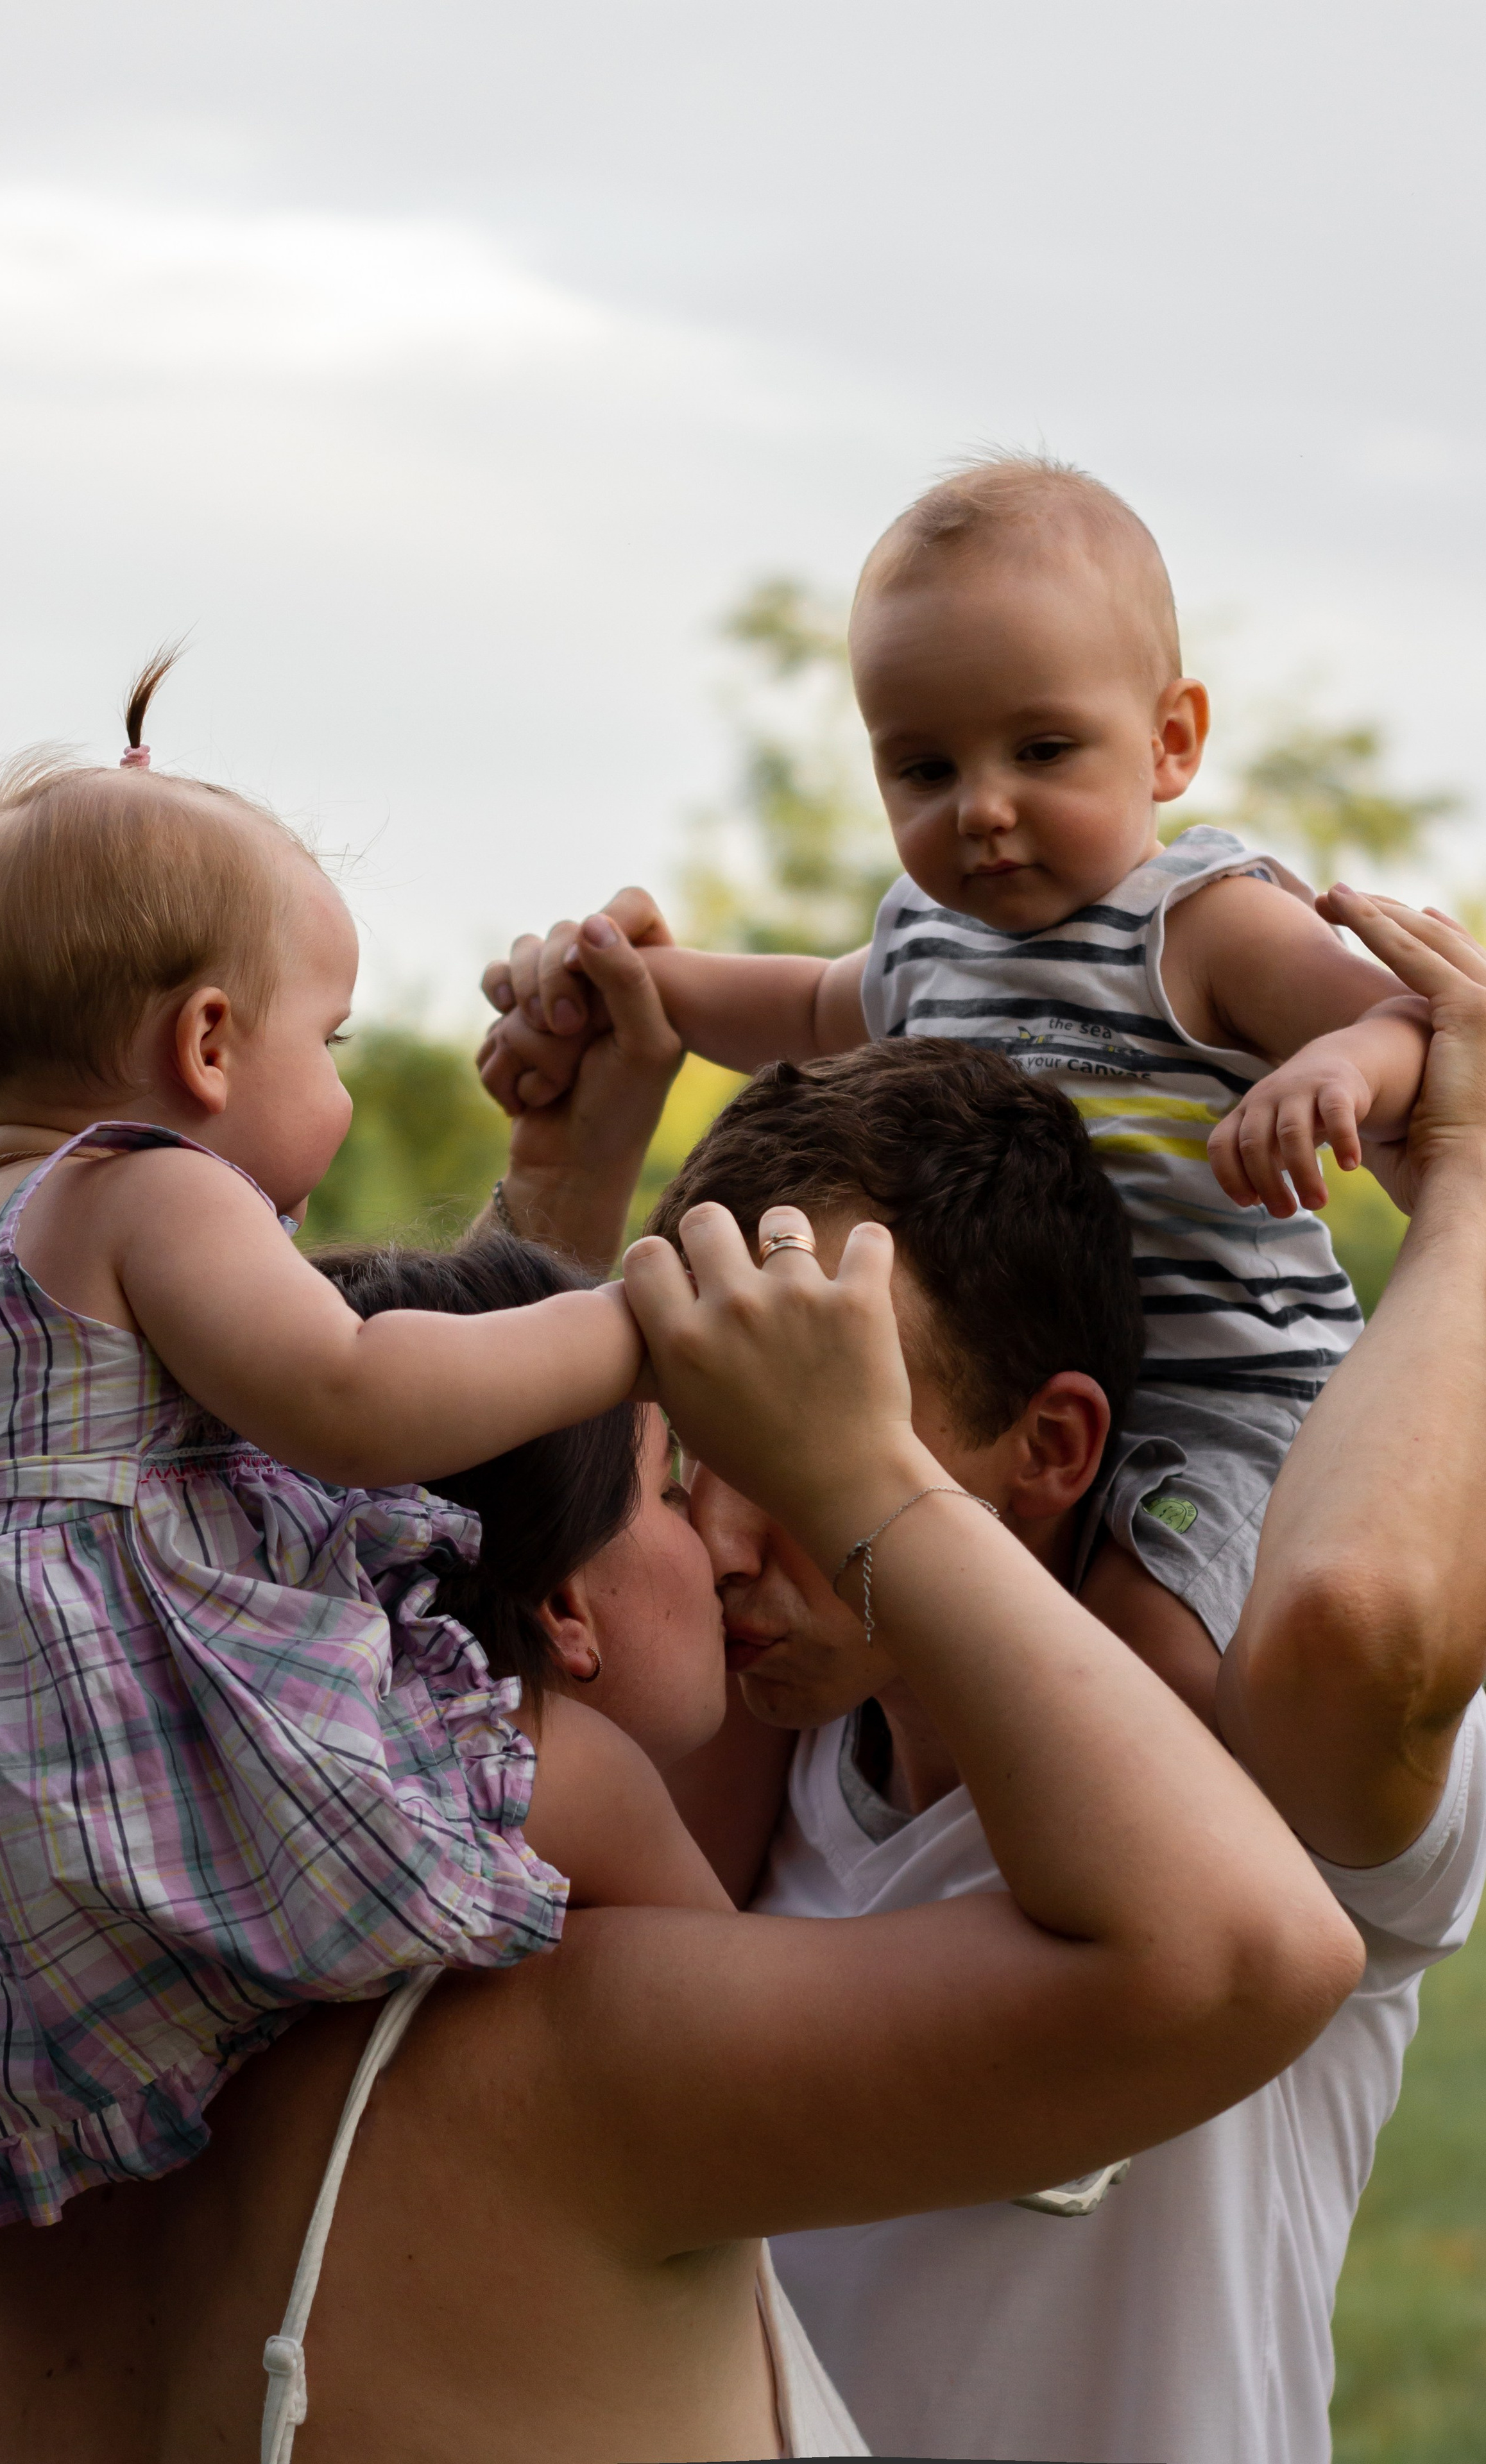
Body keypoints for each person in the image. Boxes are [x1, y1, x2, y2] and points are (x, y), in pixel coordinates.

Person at [0, 1224, 1360, 2464]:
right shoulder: (570, 2048)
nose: (726, 1533)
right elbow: (1244, 1952)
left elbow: (460, 1466)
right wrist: (863, 1471)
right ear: (560, 1610)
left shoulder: (32, 2076)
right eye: (679, 1483)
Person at [482, 890, 1486, 2464]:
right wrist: (568, 1172)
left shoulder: (1237, 1766)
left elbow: (1360, 1614)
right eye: (703, 1441)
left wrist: (1470, 1198)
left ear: (1054, 1447)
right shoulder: (742, 1773)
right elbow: (461, 1594)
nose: (729, 1542)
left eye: (805, 1435)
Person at [0, 655, 703, 2279]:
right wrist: (629, 1332)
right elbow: (357, 1393)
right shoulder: (147, 1192)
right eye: (335, 1035)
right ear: (211, 1043)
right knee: (576, 1787)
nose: (347, 1080)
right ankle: (751, 2026)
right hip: (152, 1771)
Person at [477, 454, 1435, 1719]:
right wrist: (625, 987)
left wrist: (1331, 1067)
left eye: (1040, 749)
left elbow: (1415, 1022)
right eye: (922, 771)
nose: (981, 809)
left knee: (1144, 1648)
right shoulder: (927, 943)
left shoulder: (1201, 924)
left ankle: (1219, 1876)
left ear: (1169, 741)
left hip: (1222, 1406)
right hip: (998, 1415)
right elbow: (798, 1007)